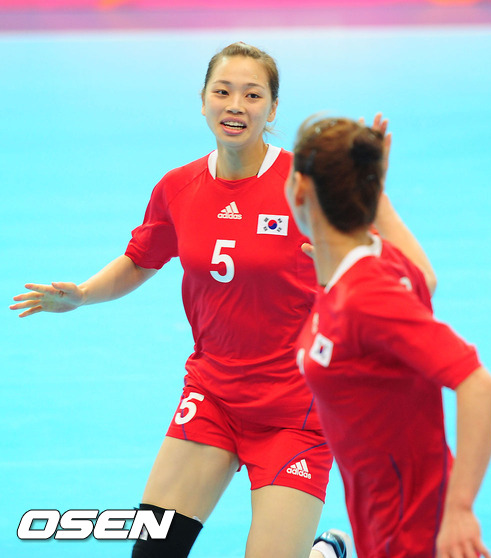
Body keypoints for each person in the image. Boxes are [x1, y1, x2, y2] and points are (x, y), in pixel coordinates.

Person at [11, 42, 434, 558]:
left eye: (252, 95)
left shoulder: (309, 190)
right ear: (203, 100)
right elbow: (142, 259)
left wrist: (367, 215)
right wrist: (82, 295)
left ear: (272, 110)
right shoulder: (178, 187)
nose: (236, 105)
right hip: (212, 397)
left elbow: (410, 276)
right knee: (153, 552)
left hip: (297, 412)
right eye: (223, 91)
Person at [285, 115, 491, 557]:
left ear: (300, 189)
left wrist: (460, 509)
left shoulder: (365, 296)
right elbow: (424, 278)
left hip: (412, 531)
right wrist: (375, 194)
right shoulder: (373, 263)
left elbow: (479, 384)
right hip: (380, 516)